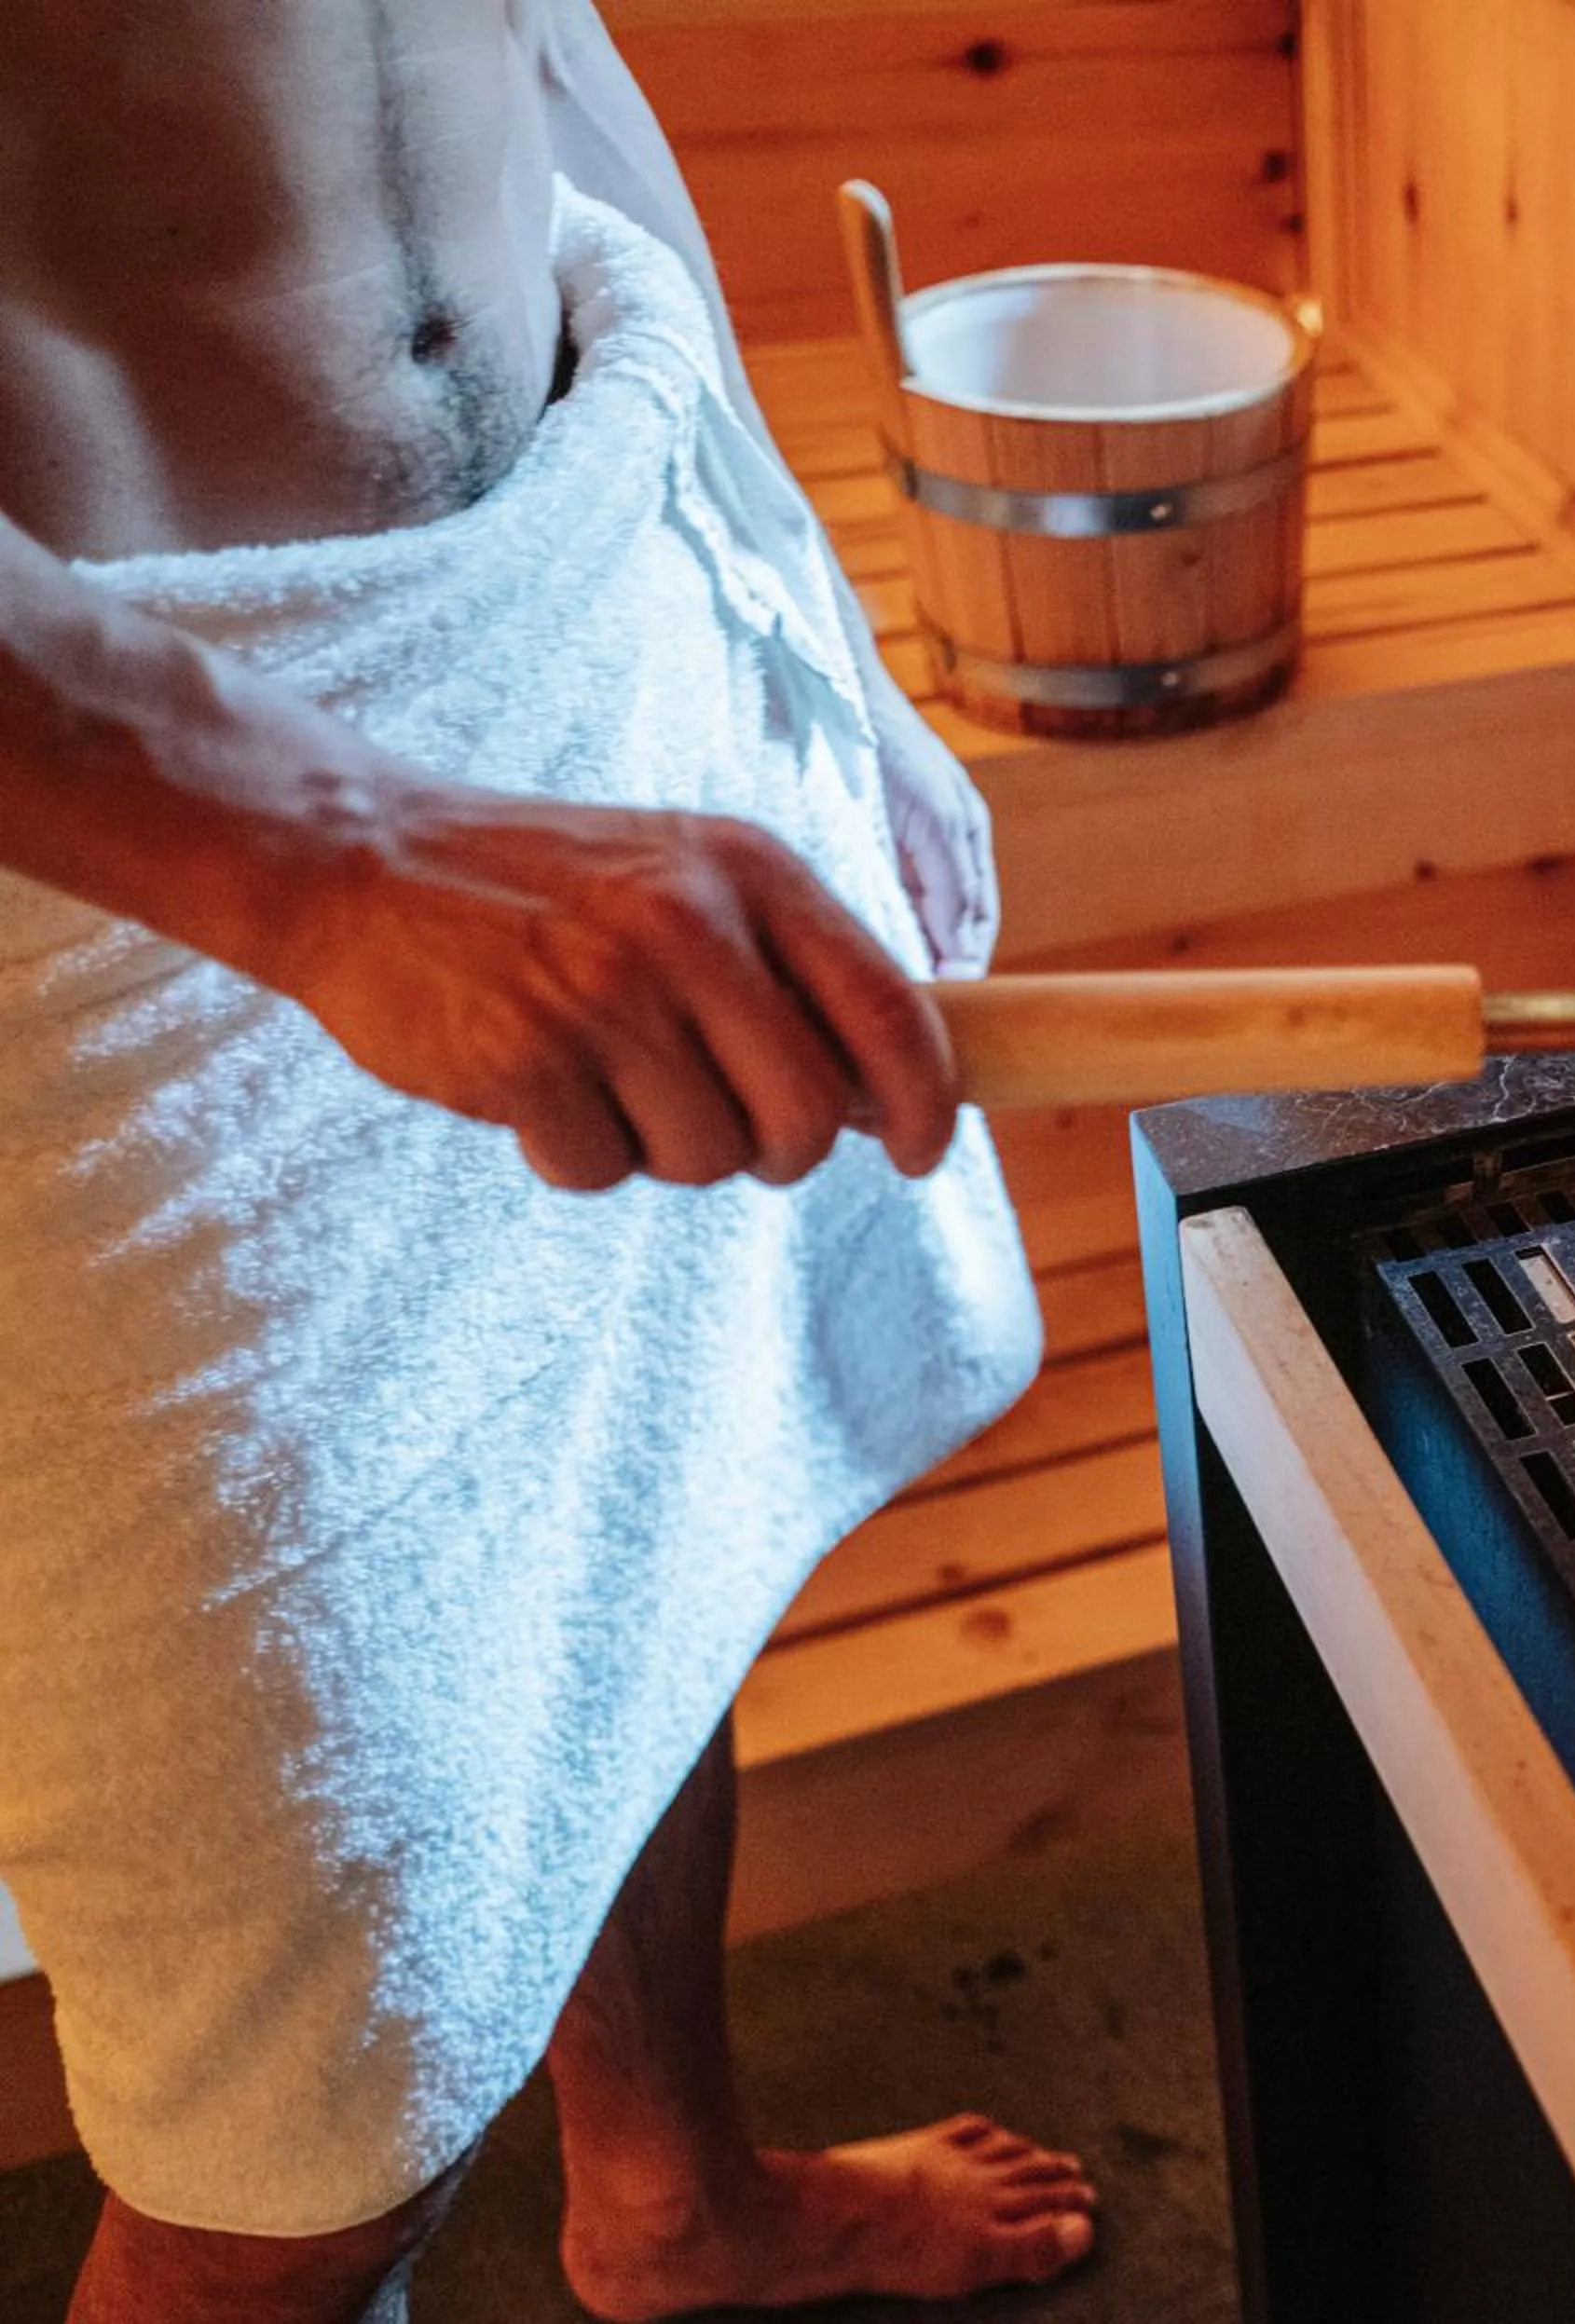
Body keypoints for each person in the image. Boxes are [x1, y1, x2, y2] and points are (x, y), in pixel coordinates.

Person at [0, 4, 1102, 2317]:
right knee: (303, 2086)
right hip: (118, 845)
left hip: (574, 606)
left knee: (632, 1549)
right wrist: (330, 842)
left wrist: (802, 602)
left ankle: (670, 2191)